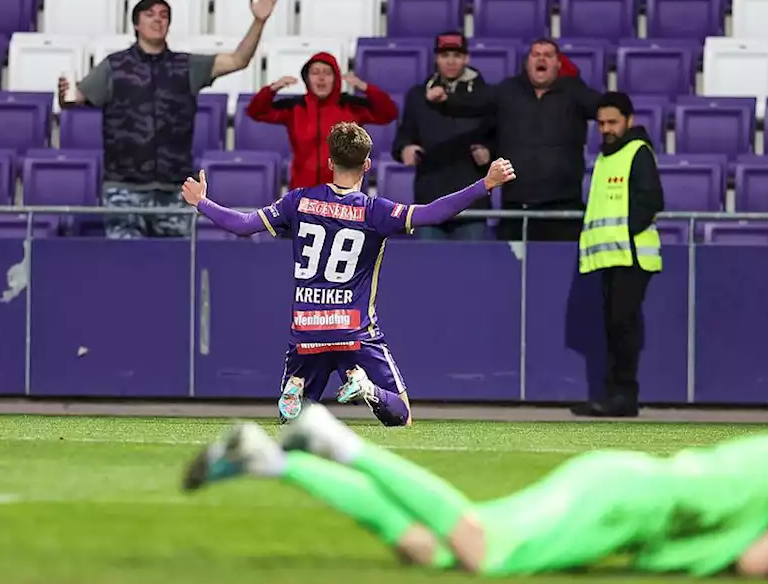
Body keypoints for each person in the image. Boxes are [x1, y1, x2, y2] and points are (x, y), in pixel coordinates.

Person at [182, 388, 768, 578]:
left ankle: (274, 458)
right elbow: (756, 562)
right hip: (631, 503)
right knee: (481, 550)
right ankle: (335, 440)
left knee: (434, 548)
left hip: (620, 481)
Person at [180, 122, 516, 425]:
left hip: (307, 329)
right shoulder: (375, 211)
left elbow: (243, 225)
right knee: (401, 414)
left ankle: (296, 387)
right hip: (354, 330)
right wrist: (484, 183)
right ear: (367, 164)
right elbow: (433, 213)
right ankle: (366, 388)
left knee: (294, 425)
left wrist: (203, 203)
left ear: (329, 162)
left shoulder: (298, 201)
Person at [58, 0, 277, 239]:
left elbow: (238, 60)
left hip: (174, 189)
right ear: (136, 24)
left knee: (175, 269)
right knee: (125, 268)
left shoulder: (187, 66)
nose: (157, 20)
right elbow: (75, 98)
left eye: (163, 15)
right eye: (149, 14)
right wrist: (66, 97)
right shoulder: (114, 66)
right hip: (124, 189)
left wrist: (259, 21)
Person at [426, 38, 600, 242]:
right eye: (535, 54)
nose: (541, 58)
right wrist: (445, 102)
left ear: (558, 64)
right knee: (512, 272)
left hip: (563, 208)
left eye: (548, 55)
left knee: (558, 271)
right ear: (527, 62)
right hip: (516, 207)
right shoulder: (508, 90)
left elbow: (609, 110)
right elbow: (473, 104)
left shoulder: (574, 92)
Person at [570, 92, 664, 419]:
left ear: (629, 121)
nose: (606, 128)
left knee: (622, 327)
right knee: (614, 327)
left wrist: (624, 235)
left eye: (612, 122)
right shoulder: (607, 157)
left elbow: (651, 200)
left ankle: (624, 396)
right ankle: (612, 396)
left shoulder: (637, 152)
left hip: (632, 257)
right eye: (601, 123)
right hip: (611, 257)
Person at [392, 32, 497, 241]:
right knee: (429, 271)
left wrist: (490, 153)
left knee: (472, 271)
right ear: (436, 59)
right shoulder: (418, 96)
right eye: (444, 55)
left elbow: (501, 138)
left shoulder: (486, 96)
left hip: (472, 204)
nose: (450, 61)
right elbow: (402, 138)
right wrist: (405, 149)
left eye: (457, 55)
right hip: (430, 202)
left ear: (466, 59)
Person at [247, 52, 398, 190]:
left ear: (336, 78)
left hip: (342, 195)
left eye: (327, 73)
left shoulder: (350, 105)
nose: (321, 78)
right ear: (307, 78)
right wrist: (272, 89)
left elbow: (389, 113)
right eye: (315, 73)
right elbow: (255, 111)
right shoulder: (294, 107)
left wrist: (365, 88)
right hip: (302, 193)